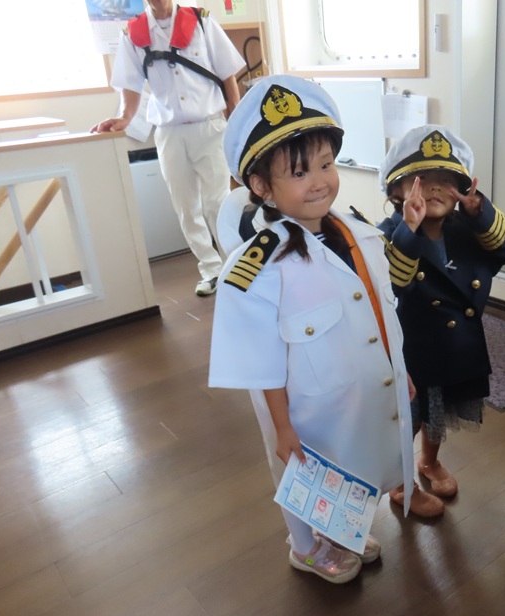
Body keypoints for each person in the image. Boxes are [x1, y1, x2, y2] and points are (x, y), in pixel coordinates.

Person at [208, 75, 433, 583]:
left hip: (353, 392)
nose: (319, 181)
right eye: (298, 171)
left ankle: (340, 533)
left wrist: (399, 371)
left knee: (351, 465)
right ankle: (306, 546)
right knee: (305, 472)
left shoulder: (358, 233)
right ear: (260, 186)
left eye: (326, 164)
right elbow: (258, 362)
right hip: (302, 408)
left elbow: (382, 310)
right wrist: (282, 427)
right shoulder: (258, 268)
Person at [377, 125, 505, 514]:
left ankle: (429, 461)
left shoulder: (469, 230)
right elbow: (393, 281)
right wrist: (409, 228)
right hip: (411, 349)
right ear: (396, 191)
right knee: (408, 418)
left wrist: (480, 213)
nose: (435, 188)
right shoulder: (390, 234)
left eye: (447, 179)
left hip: (454, 347)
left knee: (437, 414)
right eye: (422, 179)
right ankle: (401, 482)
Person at [92, 0, 244, 297]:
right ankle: (210, 270)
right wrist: (125, 117)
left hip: (210, 126)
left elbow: (227, 73)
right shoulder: (132, 33)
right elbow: (131, 84)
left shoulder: (201, 21)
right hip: (169, 132)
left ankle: (233, 266)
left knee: (217, 202)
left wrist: (236, 115)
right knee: (186, 207)